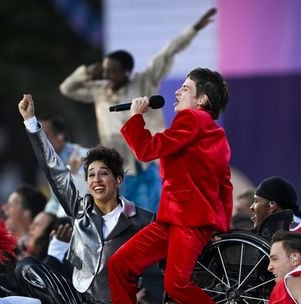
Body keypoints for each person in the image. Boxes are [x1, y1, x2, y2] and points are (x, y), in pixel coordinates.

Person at [94, 67, 243, 304]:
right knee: (121, 263)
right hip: (180, 219)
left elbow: (147, 150)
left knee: (174, 283)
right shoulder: (214, 133)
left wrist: (136, 116)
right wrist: (220, 223)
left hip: (187, 219)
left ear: (201, 100)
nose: (177, 92)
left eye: (185, 89)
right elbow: (224, 184)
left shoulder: (192, 119)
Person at [17, 94, 155, 304]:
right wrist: (31, 123)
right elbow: (53, 169)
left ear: (118, 179)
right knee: (26, 268)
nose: (96, 180)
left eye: (103, 173)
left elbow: (163, 267)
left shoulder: (142, 219)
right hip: (78, 303)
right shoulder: (79, 209)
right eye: (91, 174)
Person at [59, 8, 217, 211]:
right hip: (118, 165)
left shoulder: (143, 83)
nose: (108, 76)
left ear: (127, 72)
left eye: (113, 72)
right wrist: (88, 72)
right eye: (105, 71)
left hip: (147, 163)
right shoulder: (100, 90)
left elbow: (168, 53)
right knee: (122, 217)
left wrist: (194, 29)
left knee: (152, 214)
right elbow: (67, 88)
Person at [39, 114, 89, 217]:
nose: (40, 142)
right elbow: (56, 200)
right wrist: (45, 216)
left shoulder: (85, 156)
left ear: (60, 137)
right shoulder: (51, 163)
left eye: (44, 136)